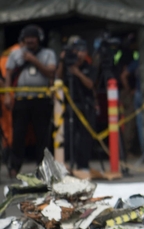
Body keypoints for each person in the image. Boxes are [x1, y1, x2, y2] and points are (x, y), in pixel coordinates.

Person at [4, 25, 56, 177]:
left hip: (41, 99)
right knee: (18, 134)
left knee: (43, 136)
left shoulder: (47, 54)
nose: (30, 40)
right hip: (21, 98)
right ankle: (14, 167)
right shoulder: (15, 54)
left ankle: (43, 168)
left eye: (33, 37)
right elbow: (8, 74)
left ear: (39, 39)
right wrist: (7, 95)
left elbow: (50, 72)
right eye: (28, 38)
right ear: (23, 39)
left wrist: (34, 60)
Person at [56, 38, 97, 172]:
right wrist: (62, 62)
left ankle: (83, 165)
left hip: (85, 104)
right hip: (69, 105)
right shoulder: (66, 66)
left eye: (82, 51)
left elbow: (90, 84)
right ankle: (64, 163)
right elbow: (58, 79)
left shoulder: (89, 67)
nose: (79, 54)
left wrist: (77, 72)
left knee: (85, 136)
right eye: (76, 50)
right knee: (67, 134)